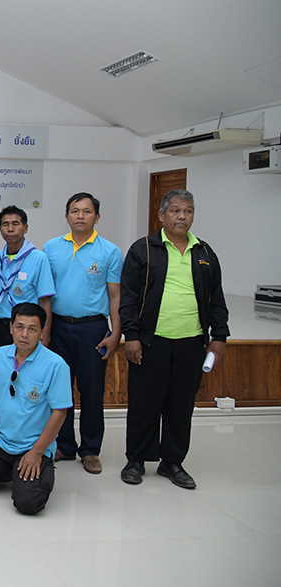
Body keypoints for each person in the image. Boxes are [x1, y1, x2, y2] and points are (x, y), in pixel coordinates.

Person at [119, 189, 228, 489]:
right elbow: (128, 298)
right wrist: (131, 335)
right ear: (162, 215)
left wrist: (219, 335)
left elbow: (216, 298)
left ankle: (172, 461)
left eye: (188, 211)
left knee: (181, 405)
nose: (182, 216)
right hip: (150, 342)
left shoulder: (204, 253)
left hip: (191, 342)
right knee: (144, 403)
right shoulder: (143, 249)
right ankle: (136, 459)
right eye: (176, 210)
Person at [0, 303, 71, 515]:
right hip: (1, 440)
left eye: (32, 329)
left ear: (42, 332)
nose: (24, 334)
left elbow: (60, 412)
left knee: (28, 503)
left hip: (33, 445)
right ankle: (9, 468)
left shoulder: (56, 365)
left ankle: (42, 468)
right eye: (19, 327)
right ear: (10, 327)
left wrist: (37, 452)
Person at [43, 193, 123, 474]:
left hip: (93, 329)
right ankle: (64, 445)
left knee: (92, 391)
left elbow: (115, 296)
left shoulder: (110, 252)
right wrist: (45, 330)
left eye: (87, 211)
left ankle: (90, 450)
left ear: (97, 217)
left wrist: (116, 333)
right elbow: (45, 294)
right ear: (66, 216)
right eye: (75, 211)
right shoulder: (51, 248)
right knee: (59, 390)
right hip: (58, 327)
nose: (80, 216)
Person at [0, 205, 54, 355]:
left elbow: (45, 301)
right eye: (5, 224)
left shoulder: (38, 258)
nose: (10, 229)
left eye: (15, 224)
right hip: (0, 327)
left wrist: (45, 335)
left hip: (25, 329)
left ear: (25, 227)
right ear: (0, 229)